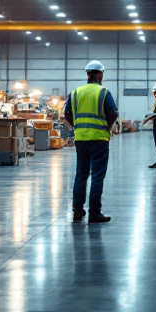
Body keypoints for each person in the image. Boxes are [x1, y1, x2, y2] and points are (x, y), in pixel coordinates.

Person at [65, 60, 119, 223]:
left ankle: (77, 210)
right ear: (100, 74)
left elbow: (67, 113)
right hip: (99, 139)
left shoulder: (75, 93)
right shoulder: (103, 92)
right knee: (97, 175)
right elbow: (113, 113)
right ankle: (94, 212)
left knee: (81, 175)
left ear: (87, 74)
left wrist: (79, 126)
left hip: (81, 139)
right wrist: (107, 127)